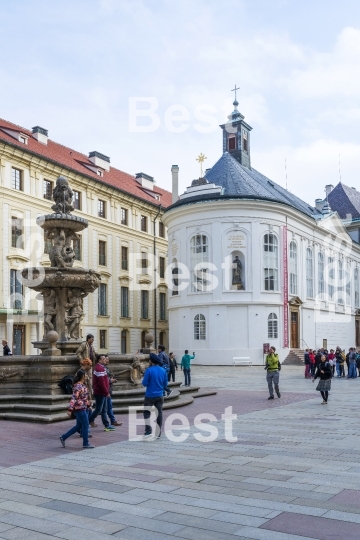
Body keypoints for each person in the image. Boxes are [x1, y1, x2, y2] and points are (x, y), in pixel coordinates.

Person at [59, 369, 94, 449]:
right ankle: (86, 443)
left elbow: (82, 398)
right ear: (82, 376)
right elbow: (74, 398)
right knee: (85, 425)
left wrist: (88, 403)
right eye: (86, 375)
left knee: (79, 426)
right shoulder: (78, 386)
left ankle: (63, 437)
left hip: (82, 408)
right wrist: (70, 409)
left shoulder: (82, 385)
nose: (87, 376)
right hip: (79, 409)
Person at [142, 353, 169, 440]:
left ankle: (148, 431)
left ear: (150, 361)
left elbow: (144, 383)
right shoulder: (163, 370)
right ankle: (158, 432)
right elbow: (165, 384)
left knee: (147, 413)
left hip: (149, 395)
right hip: (160, 395)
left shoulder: (149, 370)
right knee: (159, 413)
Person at [88, 354, 115, 432]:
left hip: (102, 392)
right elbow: (102, 383)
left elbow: (104, 381)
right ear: (99, 360)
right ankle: (86, 423)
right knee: (98, 410)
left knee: (104, 410)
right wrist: (106, 392)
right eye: (103, 359)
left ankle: (106, 425)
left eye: (105, 359)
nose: (105, 360)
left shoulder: (101, 368)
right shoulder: (99, 369)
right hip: (100, 392)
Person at [104, 355, 122, 427]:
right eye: (106, 359)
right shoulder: (102, 369)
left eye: (108, 359)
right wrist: (110, 380)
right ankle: (90, 420)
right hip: (106, 391)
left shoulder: (106, 368)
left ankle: (112, 421)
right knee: (102, 409)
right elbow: (102, 380)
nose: (107, 360)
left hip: (107, 390)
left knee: (107, 408)